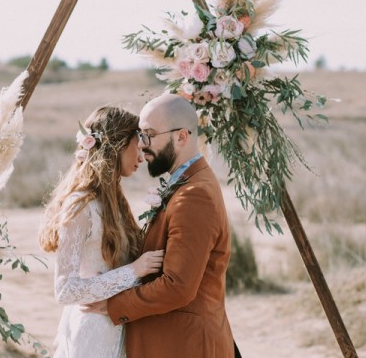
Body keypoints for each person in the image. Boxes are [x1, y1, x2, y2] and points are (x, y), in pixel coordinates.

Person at [84, 93, 235, 357]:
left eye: (149, 135)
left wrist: (114, 305)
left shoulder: (194, 194)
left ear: (181, 136)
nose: (142, 146)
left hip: (185, 345)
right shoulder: (188, 183)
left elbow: (177, 286)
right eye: (141, 136)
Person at [38, 106, 165, 358]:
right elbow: (65, 290)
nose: (141, 155)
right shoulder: (81, 205)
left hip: (117, 324)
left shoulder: (113, 200)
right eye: (136, 143)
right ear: (116, 145)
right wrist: (135, 270)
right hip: (93, 333)